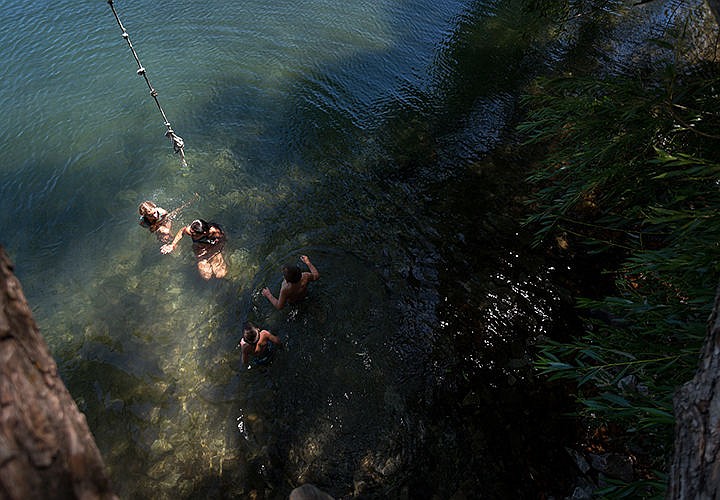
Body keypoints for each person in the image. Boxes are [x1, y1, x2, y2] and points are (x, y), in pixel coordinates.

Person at [160, 218, 227, 280]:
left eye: (193, 234)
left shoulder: (214, 232)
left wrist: (212, 251)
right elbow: (181, 232)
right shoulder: (190, 230)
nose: (190, 233)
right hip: (199, 248)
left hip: (212, 248)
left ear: (204, 233)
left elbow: (223, 241)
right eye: (190, 231)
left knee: (221, 274)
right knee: (206, 276)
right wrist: (172, 245)